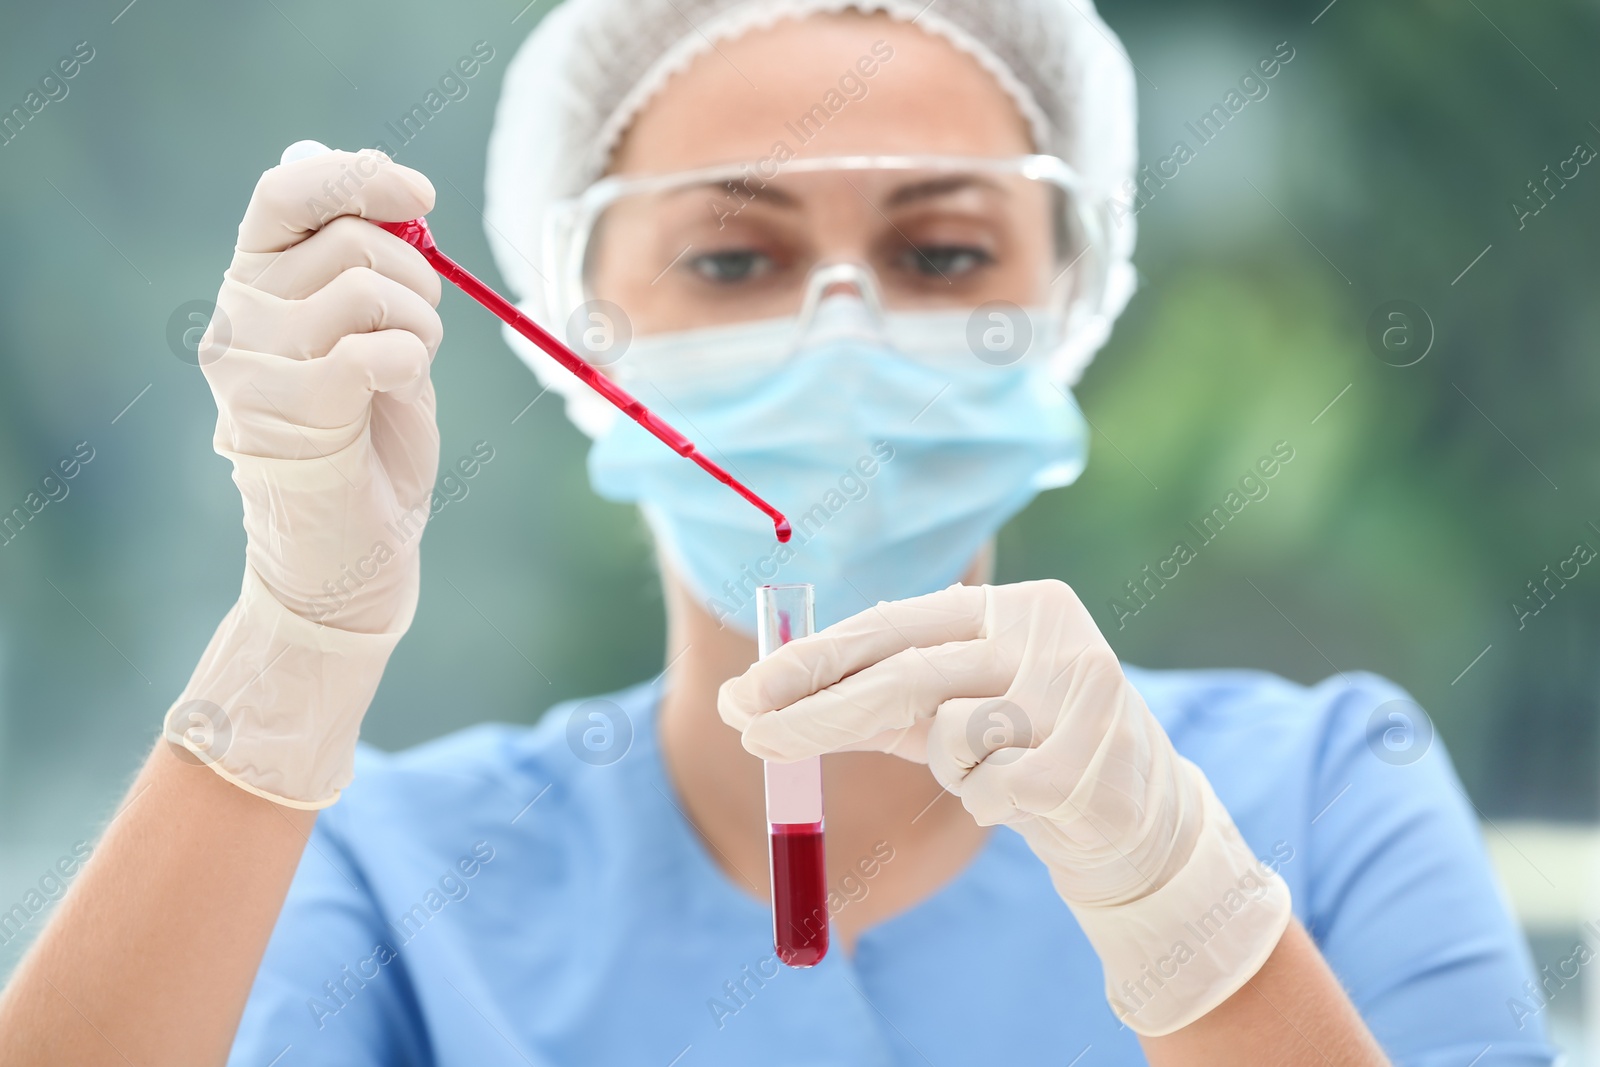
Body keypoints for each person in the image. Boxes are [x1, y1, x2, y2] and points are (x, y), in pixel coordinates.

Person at [0, 1, 1557, 1064]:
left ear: (1073, 301)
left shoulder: (1327, 795)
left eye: (942, 253)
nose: (842, 337)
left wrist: (1185, 913)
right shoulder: (400, 881)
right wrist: (296, 643)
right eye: (735, 262)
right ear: (574, 337)